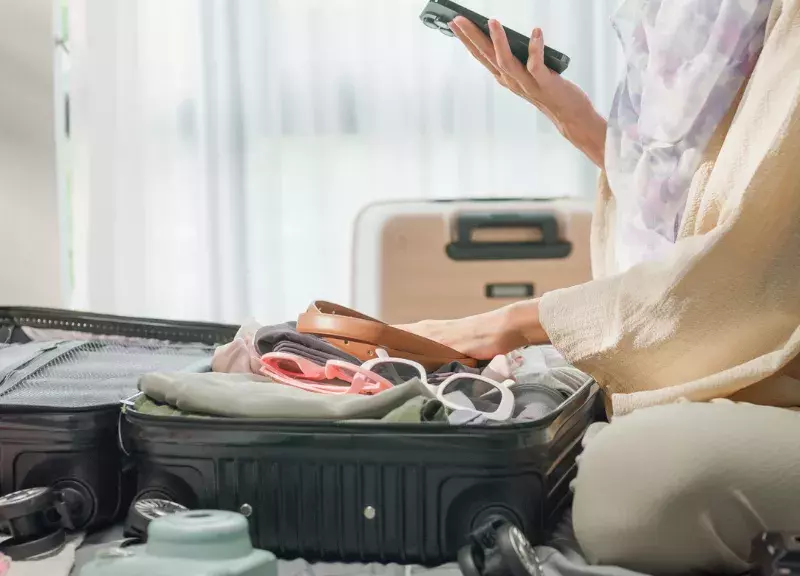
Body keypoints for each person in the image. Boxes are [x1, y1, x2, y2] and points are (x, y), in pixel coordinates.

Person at [399, 1, 800, 574]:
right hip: (736, 358)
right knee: (517, 405)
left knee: (631, 478)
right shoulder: (697, 23)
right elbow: (711, 210)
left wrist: (507, 323)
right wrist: (575, 120)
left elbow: (755, 265)